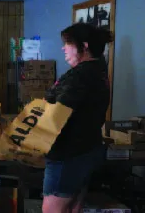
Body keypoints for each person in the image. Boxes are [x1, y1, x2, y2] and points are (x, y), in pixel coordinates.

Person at [42, 23, 112, 213]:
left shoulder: (81, 75)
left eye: (68, 44)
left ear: (85, 46)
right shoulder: (98, 70)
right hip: (87, 149)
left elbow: (58, 112)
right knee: (74, 208)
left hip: (68, 154)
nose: (63, 48)